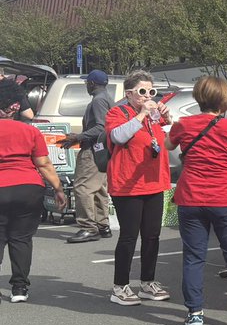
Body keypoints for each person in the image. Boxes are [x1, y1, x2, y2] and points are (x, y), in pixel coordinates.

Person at [165, 76, 227, 325]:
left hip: (191, 196)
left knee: (194, 256)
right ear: (224, 100)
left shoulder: (184, 124)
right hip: (226, 196)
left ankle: (195, 313)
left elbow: (168, 144)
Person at [105, 71, 173, 306]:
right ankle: (120, 286)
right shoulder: (118, 112)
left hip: (154, 181)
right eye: (142, 92)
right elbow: (118, 136)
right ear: (129, 94)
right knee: (128, 236)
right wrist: (142, 114)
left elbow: (169, 135)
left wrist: (166, 115)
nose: (147, 96)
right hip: (127, 185)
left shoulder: (154, 115)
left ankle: (147, 282)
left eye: (150, 91)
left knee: (152, 235)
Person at [0, 80, 67, 302]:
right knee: (21, 239)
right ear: (14, 107)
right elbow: (44, 164)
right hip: (28, 188)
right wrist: (58, 189)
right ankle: (19, 288)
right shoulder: (30, 131)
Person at [59, 70, 114, 243]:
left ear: (92, 84)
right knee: (97, 188)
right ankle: (102, 225)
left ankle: (88, 228)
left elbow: (100, 127)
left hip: (92, 150)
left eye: (86, 83)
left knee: (82, 187)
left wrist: (78, 137)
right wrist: (78, 137)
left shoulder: (98, 101)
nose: (86, 86)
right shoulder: (105, 98)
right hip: (102, 150)